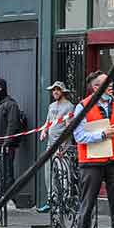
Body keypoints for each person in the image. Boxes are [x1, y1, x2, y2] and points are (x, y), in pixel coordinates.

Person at [74, 74, 114, 228]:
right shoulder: (82, 107)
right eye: (107, 84)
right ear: (95, 87)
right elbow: (79, 135)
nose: (111, 87)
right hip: (91, 161)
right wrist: (101, 135)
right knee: (88, 201)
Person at [38, 81, 76, 213]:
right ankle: (51, 200)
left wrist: (64, 147)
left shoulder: (69, 106)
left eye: (57, 90)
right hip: (50, 144)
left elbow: (69, 128)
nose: (55, 92)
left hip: (61, 146)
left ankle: (66, 201)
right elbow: (48, 122)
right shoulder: (51, 106)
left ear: (63, 91)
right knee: (48, 173)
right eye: (53, 90)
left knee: (64, 174)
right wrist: (44, 131)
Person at [0, 78, 27, 199]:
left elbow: (12, 124)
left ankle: (9, 198)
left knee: (7, 171)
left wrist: (7, 143)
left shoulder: (10, 104)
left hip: (5, 144)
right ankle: (1, 196)